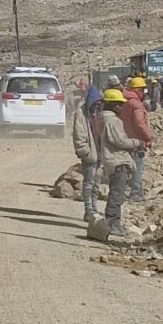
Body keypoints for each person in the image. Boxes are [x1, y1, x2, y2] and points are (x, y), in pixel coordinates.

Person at [97, 84, 147, 237]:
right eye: (119, 104)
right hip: (117, 160)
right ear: (111, 104)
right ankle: (112, 224)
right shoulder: (111, 121)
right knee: (117, 194)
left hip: (116, 159)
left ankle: (114, 222)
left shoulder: (107, 119)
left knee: (117, 193)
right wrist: (137, 143)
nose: (121, 107)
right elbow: (119, 141)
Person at [72, 87, 103, 224]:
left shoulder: (99, 113)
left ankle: (94, 208)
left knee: (97, 183)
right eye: (95, 103)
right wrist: (85, 152)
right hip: (90, 155)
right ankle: (88, 209)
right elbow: (78, 136)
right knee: (89, 183)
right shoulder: (81, 113)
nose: (97, 105)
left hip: (100, 153)